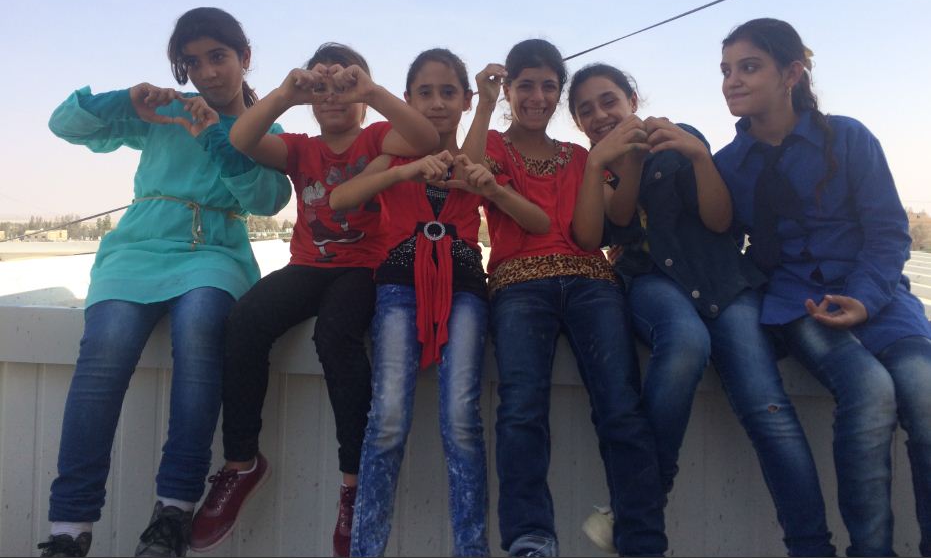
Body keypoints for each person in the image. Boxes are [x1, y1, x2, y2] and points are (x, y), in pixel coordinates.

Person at [39, 7, 292, 558]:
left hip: (213, 252)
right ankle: (68, 526)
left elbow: (269, 200)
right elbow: (64, 124)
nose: (206, 73)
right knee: (102, 354)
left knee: (201, 328)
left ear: (244, 58)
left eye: (218, 57)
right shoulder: (166, 111)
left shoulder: (261, 125)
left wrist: (215, 138)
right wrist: (124, 102)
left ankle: (174, 510)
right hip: (138, 249)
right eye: (192, 62)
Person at [568, 63, 836, 556]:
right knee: (686, 342)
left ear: (631, 99)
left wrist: (697, 156)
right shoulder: (597, 167)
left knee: (768, 407)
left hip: (722, 280)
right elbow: (619, 220)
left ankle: (811, 546)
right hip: (653, 281)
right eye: (585, 111)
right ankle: (645, 502)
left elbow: (720, 221)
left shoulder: (681, 138)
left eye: (609, 101)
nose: (600, 115)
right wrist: (624, 159)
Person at [188, 43, 439, 557]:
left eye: (346, 90)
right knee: (244, 322)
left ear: (364, 99)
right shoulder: (301, 148)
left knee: (336, 334)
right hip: (307, 266)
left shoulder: (376, 137)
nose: (333, 98)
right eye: (321, 90)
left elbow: (424, 136)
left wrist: (369, 89)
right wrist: (286, 93)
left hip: (366, 268)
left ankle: (355, 481)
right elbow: (239, 140)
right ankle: (241, 462)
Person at [714, 17, 931, 556]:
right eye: (725, 71)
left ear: (791, 73)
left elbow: (887, 230)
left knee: (925, 393)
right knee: (869, 391)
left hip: (878, 295)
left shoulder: (849, 138)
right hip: (799, 304)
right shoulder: (727, 166)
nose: (731, 82)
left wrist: (867, 296)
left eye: (748, 67)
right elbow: (714, 245)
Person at [328, 49, 549, 556]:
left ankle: (471, 550)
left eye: (449, 92)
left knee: (461, 420)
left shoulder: (478, 157)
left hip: (466, 288)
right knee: (386, 418)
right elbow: (341, 200)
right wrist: (402, 175)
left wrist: (490, 105)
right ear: (406, 100)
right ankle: (366, 549)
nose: (436, 103)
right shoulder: (395, 154)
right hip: (399, 288)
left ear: (465, 99)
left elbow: (472, 166)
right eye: (424, 93)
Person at [483, 39, 667, 557]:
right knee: (521, 406)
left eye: (548, 86)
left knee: (620, 405)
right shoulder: (496, 146)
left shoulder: (580, 155)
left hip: (591, 280)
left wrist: (626, 159)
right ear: (509, 92)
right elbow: (469, 170)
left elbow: (611, 222)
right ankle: (529, 536)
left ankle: (642, 540)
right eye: (525, 86)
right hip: (518, 282)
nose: (536, 96)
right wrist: (481, 101)